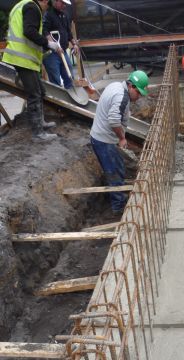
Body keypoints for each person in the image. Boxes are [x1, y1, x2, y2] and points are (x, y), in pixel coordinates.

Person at [90, 70, 149, 215]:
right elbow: (114, 120)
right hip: (104, 140)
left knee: (118, 168)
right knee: (114, 173)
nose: (139, 97)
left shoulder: (116, 86)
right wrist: (122, 138)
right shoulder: (121, 96)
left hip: (102, 137)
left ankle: (119, 197)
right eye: (139, 93)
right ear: (131, 87)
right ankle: (118, 208)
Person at [2, 0, 61, 141]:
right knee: (34, 94)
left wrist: (46, 47)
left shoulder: (22, 5)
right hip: (22, 58)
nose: (46, 9)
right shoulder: (32, 8)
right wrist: (48, 43)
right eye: (47, 5)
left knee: (40, 91)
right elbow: (29, 31)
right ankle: (38, 133)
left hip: (22, 58)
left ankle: (40, 123)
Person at [42, 0, 78, 89]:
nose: (64, 5)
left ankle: (71, 100)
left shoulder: (64, 15)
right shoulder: (48, 14)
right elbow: (44, 31)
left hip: (63, 52)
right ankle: (57, 101)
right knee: (55, 82)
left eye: (65, 4)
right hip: (51, 54)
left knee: (69, 78)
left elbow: (68, 32)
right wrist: (53, 44)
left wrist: (74, 43)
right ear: (55, 1)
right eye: (62, 3)